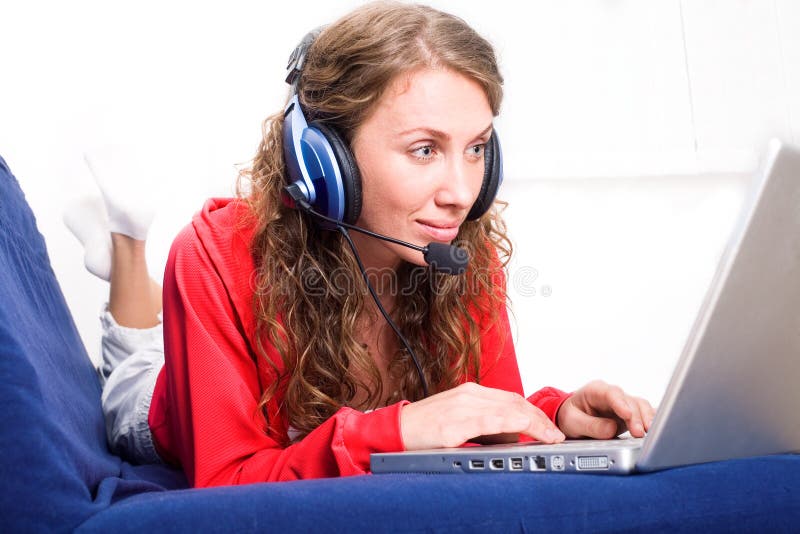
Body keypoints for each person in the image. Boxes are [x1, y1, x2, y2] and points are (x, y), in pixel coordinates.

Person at [65, 1, 654, 488]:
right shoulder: (214, 255)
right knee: (130, 384)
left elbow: (486, 418)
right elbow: (224, 482)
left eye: (476, 149)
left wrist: (555, 418)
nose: (461, 193)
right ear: (326, 160)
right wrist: (395, 432)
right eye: (425, 149)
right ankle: (124, 242)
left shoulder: (459, 249)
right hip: (163, 415)